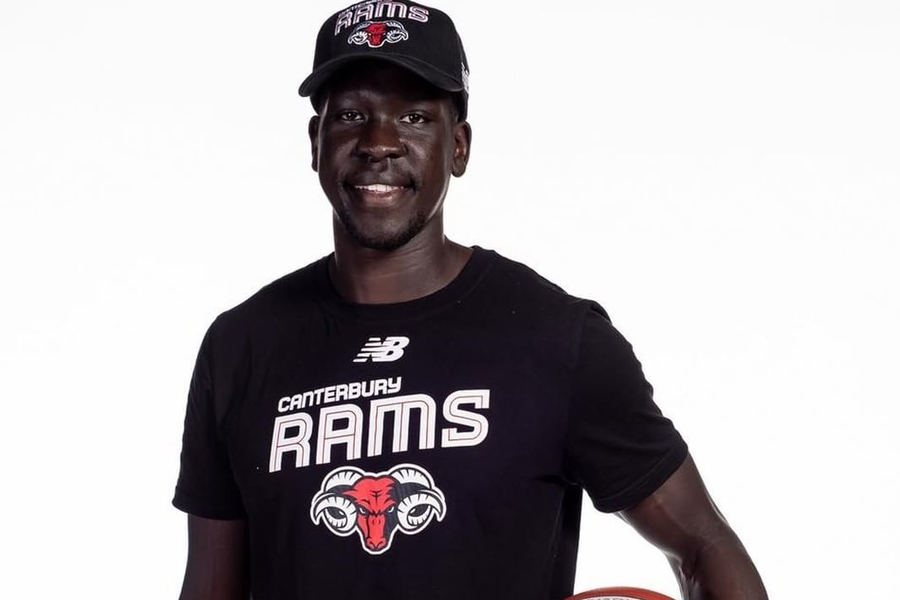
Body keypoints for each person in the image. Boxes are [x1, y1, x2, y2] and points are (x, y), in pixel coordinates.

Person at [172, 2, 769, 599]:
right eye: (351, 114)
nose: (378, 143)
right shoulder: (241, 346)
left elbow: (703, 544)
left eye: (414, 117)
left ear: (458, 147)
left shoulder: (557, 340)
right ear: (315, 141)